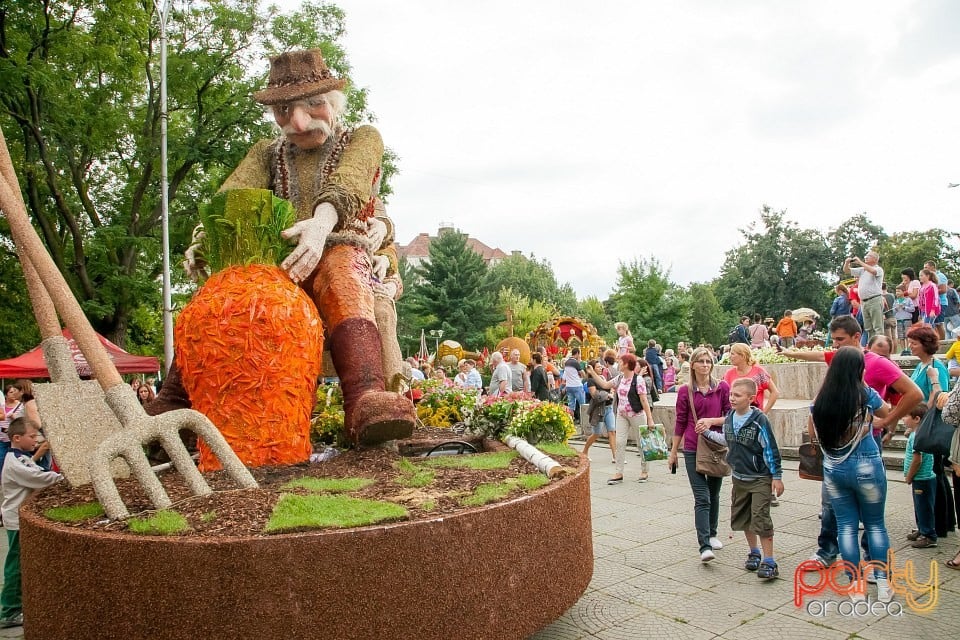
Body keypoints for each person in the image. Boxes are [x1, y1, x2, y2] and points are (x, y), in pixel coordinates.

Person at [163, 48, 415, 445]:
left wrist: (320, 227)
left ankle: (365, 398)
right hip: (279, 263)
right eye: (283, 111)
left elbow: (351, 181)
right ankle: (176, 401)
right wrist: (206, 239)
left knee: (341, 273)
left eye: (313, 104)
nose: (297, 122)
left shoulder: (363, 138)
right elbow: (232, 197)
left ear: (332, 103)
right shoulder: (268, 152)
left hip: (340, 249)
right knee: (228, 293)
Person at [810, 347, 893, 603]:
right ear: (859, 369)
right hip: (866, 464)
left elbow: (813, 432)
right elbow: (886, 412)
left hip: (835, 468)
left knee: (845, 526)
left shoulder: (823, 398)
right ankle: (882, 583)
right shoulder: (865, 394)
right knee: (875, 524)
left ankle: (856, 586)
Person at [699, 378, 783, 579]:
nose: (732, 398)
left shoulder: (759, 420)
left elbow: (770, 449)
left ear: (751, 398)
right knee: (744, 517)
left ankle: (769, 561)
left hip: (760, 477)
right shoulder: (729, 417)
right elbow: (728, 440)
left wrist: (776, 476)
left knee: (761, 518)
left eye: (737, 395)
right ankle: (754, 552)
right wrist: (708, 433)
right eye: (731, 395)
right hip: (739, 478)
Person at [668, 346, 731, 562]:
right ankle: (704, 546)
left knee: (714, 493)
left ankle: (712, 533)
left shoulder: (721, 387)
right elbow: (680, 420)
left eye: (708, 361)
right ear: (693, 364)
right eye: (701, 361)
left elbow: (731, 417)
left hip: (715, 447)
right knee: (702, 497)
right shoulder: (686, 391)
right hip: (693, 448)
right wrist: (674, 451)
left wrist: (712, 422)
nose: (705, 365)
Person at [0, 417, 63, 629]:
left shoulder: (22, 457)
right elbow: (41, 478)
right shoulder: (15, 462)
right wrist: (63, 477)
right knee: (15, 565)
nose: (35, 440)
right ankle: (9, 610)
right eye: (32, 436)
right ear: (17, 438)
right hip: (16, 521)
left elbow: (39, 472)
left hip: (20, 518)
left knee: (20, 563)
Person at [588, 354, 655, 484]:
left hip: (637, 414)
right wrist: (592, 373)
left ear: (626, 364)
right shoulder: (619, 378)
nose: (618, 363)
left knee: (641, 443)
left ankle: (644, 471)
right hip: (622, 414)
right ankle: (619, 472)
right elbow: (605, 384)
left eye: (621, 361)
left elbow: (644, 400)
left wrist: (650, 419)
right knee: (619, 442)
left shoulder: (638, 380)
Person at [902, 402, 938, 548]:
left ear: (916, 419)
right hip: (923, 479)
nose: (903, 419)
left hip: (922, 479)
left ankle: (929, 536)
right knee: (919, 506)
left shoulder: (917, 437)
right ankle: (922, 529)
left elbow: (917, 460)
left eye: (906, 416)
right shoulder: (920, 433)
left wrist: (909, 476)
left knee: (923, 507)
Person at [722, 343, 780, 414]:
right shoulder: (729, 373)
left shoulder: (759, 372)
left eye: (732, 354)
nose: (729, 357)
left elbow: (775, 392)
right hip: (735, 417)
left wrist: (764, 412)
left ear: (743, 356)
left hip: (754, 417)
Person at [844, 251, 884, 341]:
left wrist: (860, 262)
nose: (865, 258)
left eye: (868, 256)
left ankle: (881, 346)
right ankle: (872, 347)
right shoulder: (862, 270)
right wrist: (847, 263)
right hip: (864, 302)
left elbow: (873, 271)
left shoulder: (878, 269)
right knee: (868, 328)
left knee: (877, 327)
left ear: (875, 259)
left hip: (874, 299)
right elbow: (847, 271)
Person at [561, 348, 586, 421]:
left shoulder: (566, 362)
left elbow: (564, 376)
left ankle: (571, 421)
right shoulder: (575, 363)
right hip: (577, 386)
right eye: (580, 354)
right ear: (577, 353)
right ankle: (583, 422)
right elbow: (583, 374)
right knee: (582, 405)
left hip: (569, 386)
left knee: (571, 406)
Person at [893, 284, 915, 353]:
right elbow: (893, 311)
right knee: (901, 336)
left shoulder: (908, 300)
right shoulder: (896, 301)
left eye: (899, 291)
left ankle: (908, 349)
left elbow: (913, 309)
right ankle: (903, 350)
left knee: (907, 335)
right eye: (896, 291)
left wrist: (904, 307)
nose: (897, 293)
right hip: (899, 320)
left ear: (903, 292)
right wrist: (896, 309)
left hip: (907, 320)